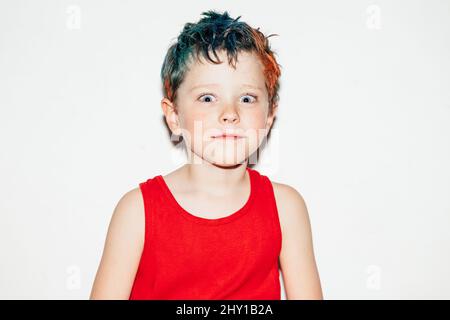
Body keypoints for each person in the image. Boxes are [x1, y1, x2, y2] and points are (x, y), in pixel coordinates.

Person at [90, 10, 323, 300]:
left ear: (269, 115)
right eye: (208, 98)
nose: (229, 114)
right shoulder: (137, 212)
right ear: (173, 115)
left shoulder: (286, 208)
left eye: (247, 98)